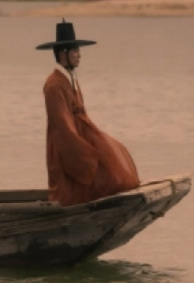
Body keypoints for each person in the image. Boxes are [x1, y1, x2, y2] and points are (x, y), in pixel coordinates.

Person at [36, 19, 140, 206]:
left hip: (79, 136)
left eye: (78, 51)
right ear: (63, 54)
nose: (79, 56)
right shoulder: (54, 85)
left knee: (113, 157)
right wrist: (82, 151)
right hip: (65, 144)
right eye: (75, 52)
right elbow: (63, 125)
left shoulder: (69, 79)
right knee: (74, 187)